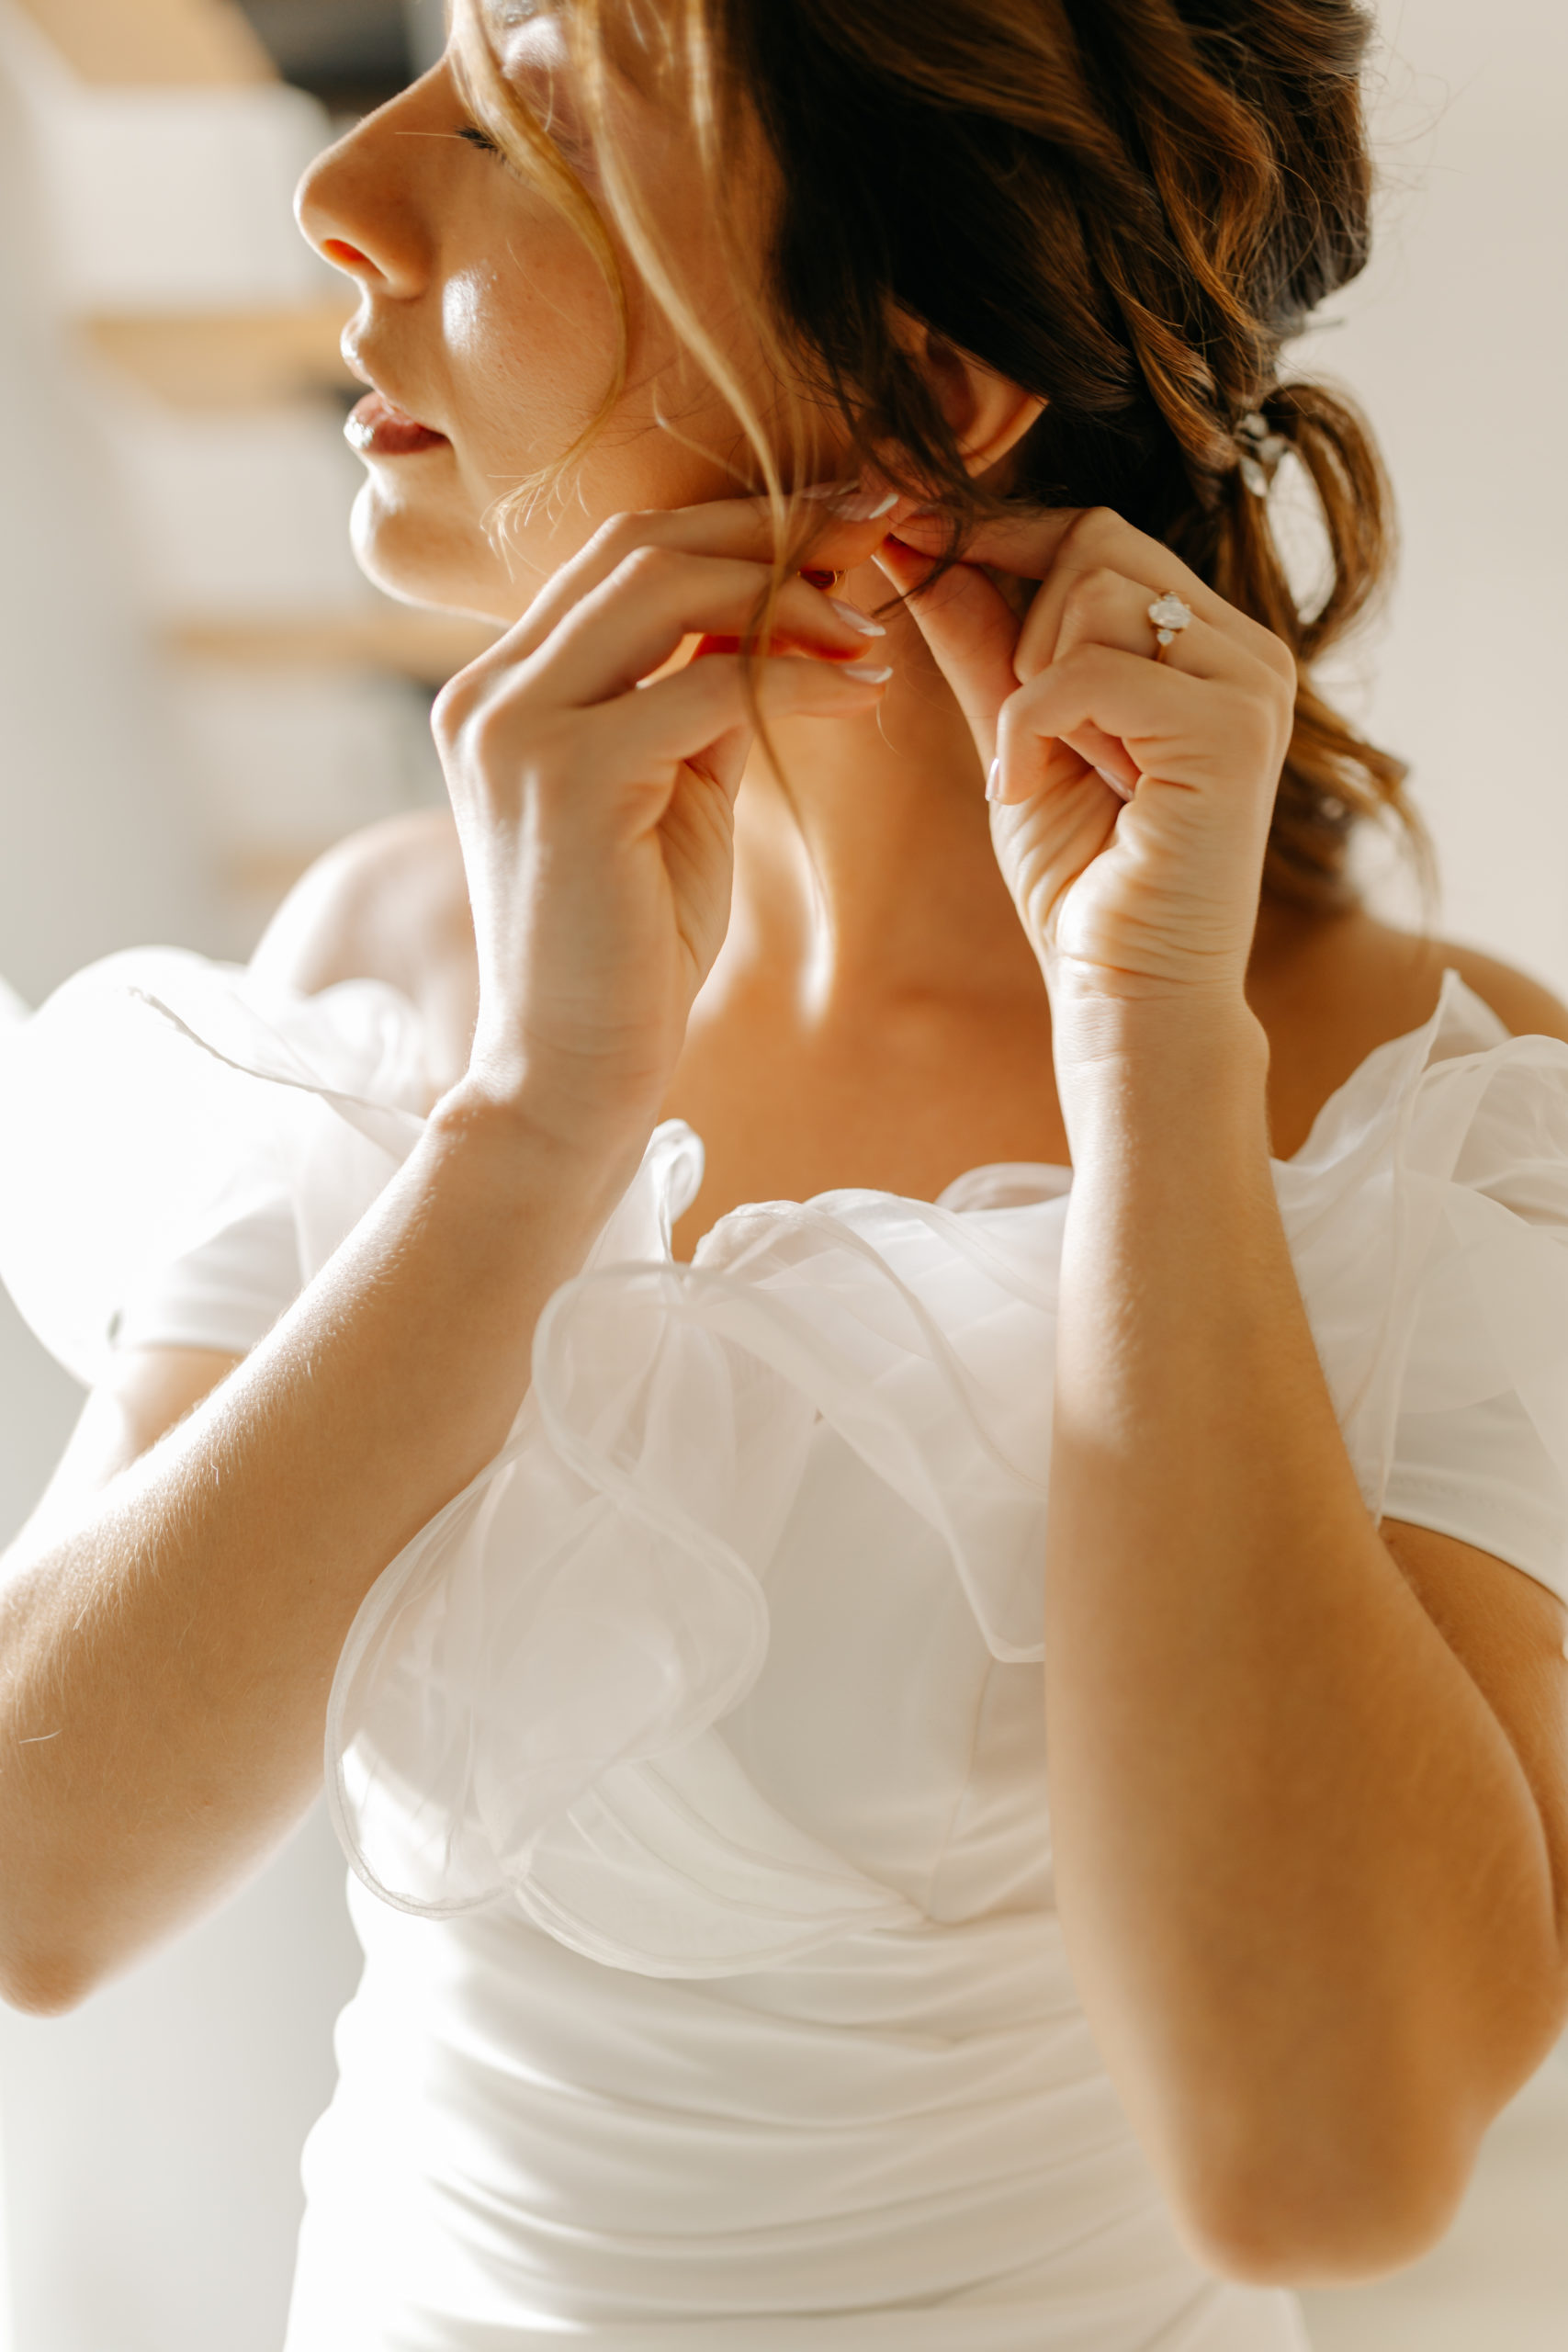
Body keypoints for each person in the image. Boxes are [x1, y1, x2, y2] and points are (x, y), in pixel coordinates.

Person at [3, 2, 1567, 2346]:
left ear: (930, 375)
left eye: (525, 111)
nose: (342, 192)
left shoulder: (1407, 1107)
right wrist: (535, 1115)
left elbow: (1321, 2156)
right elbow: (37, 1877)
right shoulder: (393, 968)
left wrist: (1151, 1059)